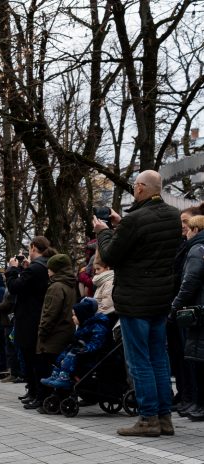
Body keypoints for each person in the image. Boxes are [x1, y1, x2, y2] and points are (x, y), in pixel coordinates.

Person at [93, 170, 182, 436]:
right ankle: (165, 418)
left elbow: (110, 255)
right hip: (160, 298)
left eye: (135, 186)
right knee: (159, 358)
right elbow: (146, 246)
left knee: (139, 360)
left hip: (134, 299)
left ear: (142, 188)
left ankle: (147, 419)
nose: (134, 189)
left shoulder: (135, 220)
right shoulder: (172, 217)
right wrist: (122, 224)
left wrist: (104, 232)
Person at [7, 237, 54, 406]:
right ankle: (34, 391)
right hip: (37, 316)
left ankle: (38, 394)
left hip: (29, 318)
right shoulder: (45, 265)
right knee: (35, 358)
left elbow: (14, 287)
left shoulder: (36, 267)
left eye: (29, 249)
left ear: (34, 248)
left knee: (31, 358)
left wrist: (12, 269)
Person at [33, 254, 78, 410]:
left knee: (46, 369)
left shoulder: (56, 287)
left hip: (53, 335)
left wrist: (42, 332)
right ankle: (61, 398)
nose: (47, 271)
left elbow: (49, 313)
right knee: (61, 370)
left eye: (50, 269)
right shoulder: (71, 284)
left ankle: (47, 400)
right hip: (66, 331)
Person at [171, 214, 204, 420]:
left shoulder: (195, 249)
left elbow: (190, 280)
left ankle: (198, 403)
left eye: (188, 226)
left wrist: (175, 305)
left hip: (197, 311)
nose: (186, 231)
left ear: (196, 230)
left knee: (195, 358)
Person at [40, 298, 111, 390]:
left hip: (92, 354)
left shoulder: (98, 326)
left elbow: (97, 343)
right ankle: (55, 375)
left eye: (74, 315)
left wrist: (84, 348)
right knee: (64, 353)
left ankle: (64, 378)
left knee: (71, 354)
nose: (72, 317)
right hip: (82, 350)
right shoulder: (84, 325)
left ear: (82, 316)